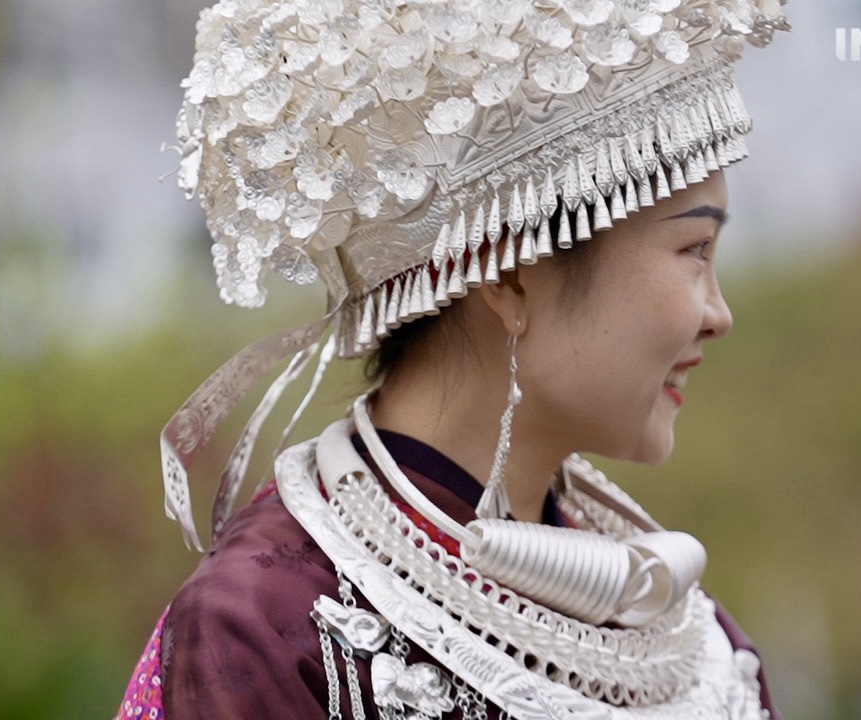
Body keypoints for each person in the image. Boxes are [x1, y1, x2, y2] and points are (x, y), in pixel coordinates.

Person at [117, 0, 791, 718]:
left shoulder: (696, 645)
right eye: (694, 251)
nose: (718, 315)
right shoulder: (267, 630)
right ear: (508, 272)